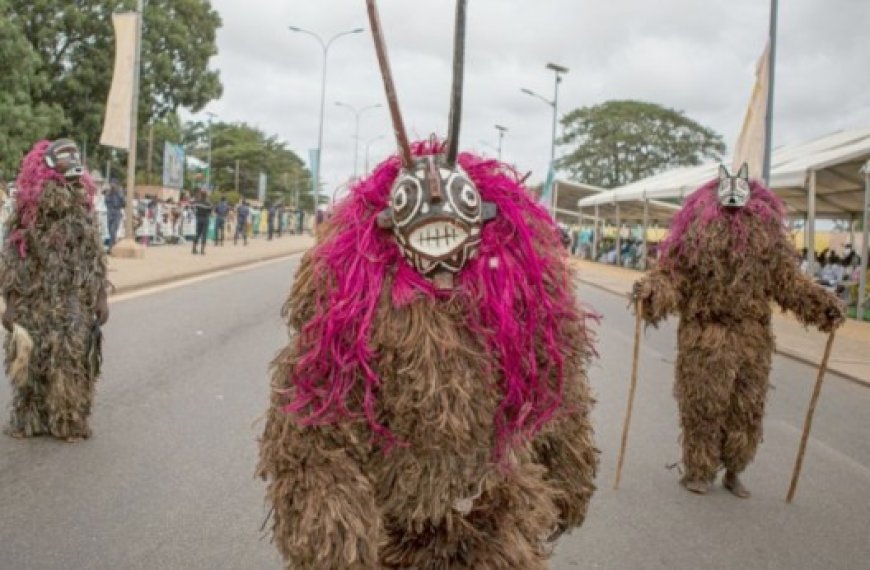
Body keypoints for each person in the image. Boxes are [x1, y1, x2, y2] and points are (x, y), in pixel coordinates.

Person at [258, 3, 598, 567]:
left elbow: (555, 387)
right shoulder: (357, 308)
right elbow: (311, 423)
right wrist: (333, 528)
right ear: (389, 228)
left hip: (495, 513)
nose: (437, 222)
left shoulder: (516, 296)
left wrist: (568, 470)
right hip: (397, 529)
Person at [633, 164, 844, 498]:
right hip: (705, 335)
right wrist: (653, 291)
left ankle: (734, 468)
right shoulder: (695, 239)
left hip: (752, 338)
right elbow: (674, 275)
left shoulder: (767, 241)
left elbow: (788, 282)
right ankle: (698, 470)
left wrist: (820, 306)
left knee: (747, 407)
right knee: (703, 406)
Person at [1, 139, 109, 441]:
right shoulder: (26, 213)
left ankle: (68, 419)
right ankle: (29, 418)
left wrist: (100, 297)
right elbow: (13, 259)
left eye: (75, 156)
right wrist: (10, 303)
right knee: (30, 359)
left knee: (70, 361)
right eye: (64, 157)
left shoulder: (83, 210)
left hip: (73, 300)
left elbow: (94, 256)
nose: (72, 161)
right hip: (34, 299)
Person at [105, 182, 125, 253]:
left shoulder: (119, 194)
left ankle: (111, 248)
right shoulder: (108, 194)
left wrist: (120, 195)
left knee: (113, 230)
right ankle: (114, 246)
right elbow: (106, 202)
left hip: (117, 213)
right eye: (111, 185)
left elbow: (123, 203)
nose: (112, 186)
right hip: (110, 213)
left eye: (114, 185)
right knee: (110, 231)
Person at [191, 190, 212, 255]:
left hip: (198, 218)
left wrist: (195, 213)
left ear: (201, 195)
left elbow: (192, 206)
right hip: (205, 218)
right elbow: (210, 211)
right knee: (204, 234)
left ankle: (194, 248)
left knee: (197, 233)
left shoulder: (197, 202)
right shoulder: (208, 203)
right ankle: (202, 250)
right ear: (206, 196)